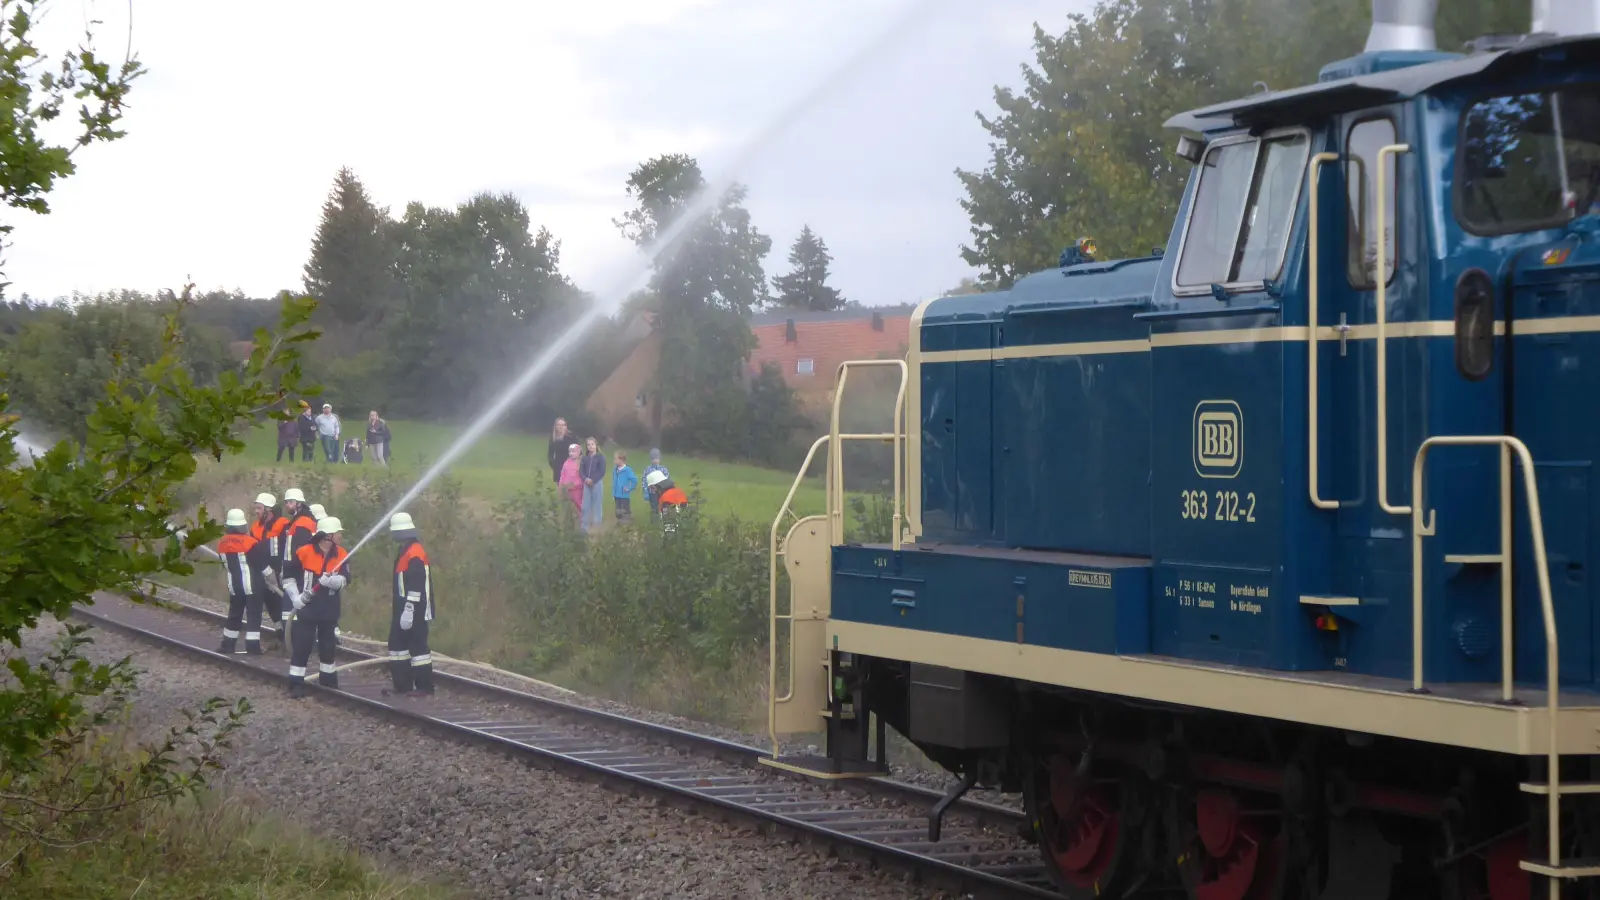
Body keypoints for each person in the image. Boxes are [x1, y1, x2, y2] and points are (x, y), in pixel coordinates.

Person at [283, 516, 350, 697]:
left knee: (328, 646)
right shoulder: (303, 552)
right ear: (327, 536)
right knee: (302, 646)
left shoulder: (342, 553)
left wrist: (334, 581)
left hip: (330, 608)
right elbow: (287, 576)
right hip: (308, 608)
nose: (340, 536)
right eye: (337, 533)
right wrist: (295, 597)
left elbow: (346, 579)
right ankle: (296, 684)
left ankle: (328, 681)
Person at [386, 512, 435, 697]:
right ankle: (402, 685)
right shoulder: (406, 550)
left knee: (418, 647)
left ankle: (424, 687)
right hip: (404, 607)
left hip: (416, 609)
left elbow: (416, 583)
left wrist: (409, 609)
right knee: (397, 645)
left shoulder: (414, 553)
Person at [218, 508, 272, 655]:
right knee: (254, 615)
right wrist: (271, 577)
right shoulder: (251, 543)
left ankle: (228, 645)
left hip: (234, 586)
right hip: (252, 585)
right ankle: (252, 647)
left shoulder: (222, 543)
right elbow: (261, 565)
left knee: (234, 614)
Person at [249, 492, 289, 636]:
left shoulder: (283, 524)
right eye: (255, 508)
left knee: (283, 604)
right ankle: (280, 633)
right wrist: (264, 570)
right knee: (269, 604)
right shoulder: (255, 527)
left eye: (259, 508)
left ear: (268, 509)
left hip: (280, 572)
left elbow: (287, 550)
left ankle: (289, 635)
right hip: (261, 571)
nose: (256, 511)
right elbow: (252, 551)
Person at [279, 489, 318, 574]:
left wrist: (290, 573)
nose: (287, 505)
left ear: (299, 503)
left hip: (298, 571)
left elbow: (300, 551)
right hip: (295, 569)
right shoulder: (298, 520)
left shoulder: (303, 522)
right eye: (286, 502)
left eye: (290, 502)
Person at [579, 436, 605, 533]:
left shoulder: (600, 457)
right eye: (588, 445)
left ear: (596, 445)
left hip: (597, 483)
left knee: (597, 505)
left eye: (592, 444)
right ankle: (584, 527)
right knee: (585, 506)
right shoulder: (584, 458)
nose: (590, 446)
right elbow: (581, 471)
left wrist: (593, 480)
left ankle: (596, 526)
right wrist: (585, 479)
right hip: (587, 484)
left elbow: (602, 471)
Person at [612, 450, 638, 525]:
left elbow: (634, 480)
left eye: (616, 459)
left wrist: (629, 488)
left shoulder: (628, 470)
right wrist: (613, 494)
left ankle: (627, 525)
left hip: (624, 495)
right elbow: (614, 482)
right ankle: (619, 524)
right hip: (617, 495)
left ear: (621, 460)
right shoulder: (615, 470)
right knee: (618, 511)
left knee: (625, 511)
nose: (614, 460)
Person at [558, 443, 582, 518]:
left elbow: (582, 477)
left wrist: (576, 484)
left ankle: (581, 519)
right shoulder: (566, 463)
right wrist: (561, 485)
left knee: (578, 505)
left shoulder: (580, 463)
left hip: (577, 489)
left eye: (573, 451)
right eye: (570, 451)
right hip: (566, 489)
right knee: (567, 506)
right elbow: (562, 475)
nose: (571, 453)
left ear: (578, 452)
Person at [642, 449, 669, 517]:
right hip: (652, 493)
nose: (655, 460)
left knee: (665, 506)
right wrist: (646, 492)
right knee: (654, 507)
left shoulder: (663, 469)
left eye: (657, 458)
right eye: (653, 458)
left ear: (660, 458)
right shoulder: (647, 470)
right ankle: (654, 520)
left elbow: (667, 480)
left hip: (662, 492)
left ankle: (665, 519)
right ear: (650, 459)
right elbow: (644, 481)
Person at [546, 417, 572, 484]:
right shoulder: (553, 439)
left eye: (563, 425)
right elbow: (550, 454)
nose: (561, 427)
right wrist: (554, 466)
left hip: (570, 468)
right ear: (556, 427)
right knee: (561, 488)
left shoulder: (571, 438)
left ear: (566, 426)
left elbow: (578, 452)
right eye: (559, 425)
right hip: (559, 469)